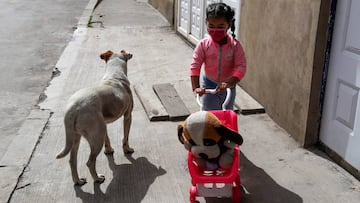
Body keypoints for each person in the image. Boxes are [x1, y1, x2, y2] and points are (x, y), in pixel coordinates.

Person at [190, 2, 247, 111]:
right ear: (206, 23)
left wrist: (229, 84)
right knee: (209, 116)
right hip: (209, 85)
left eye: (220, 26)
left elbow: (241, 67)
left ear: (229, 24)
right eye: (211, 26)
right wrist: (196, 87)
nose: (215, 30)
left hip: (229, 87)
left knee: (226, 113)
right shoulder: (203, 45)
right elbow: (195, 67)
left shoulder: (235, 46)